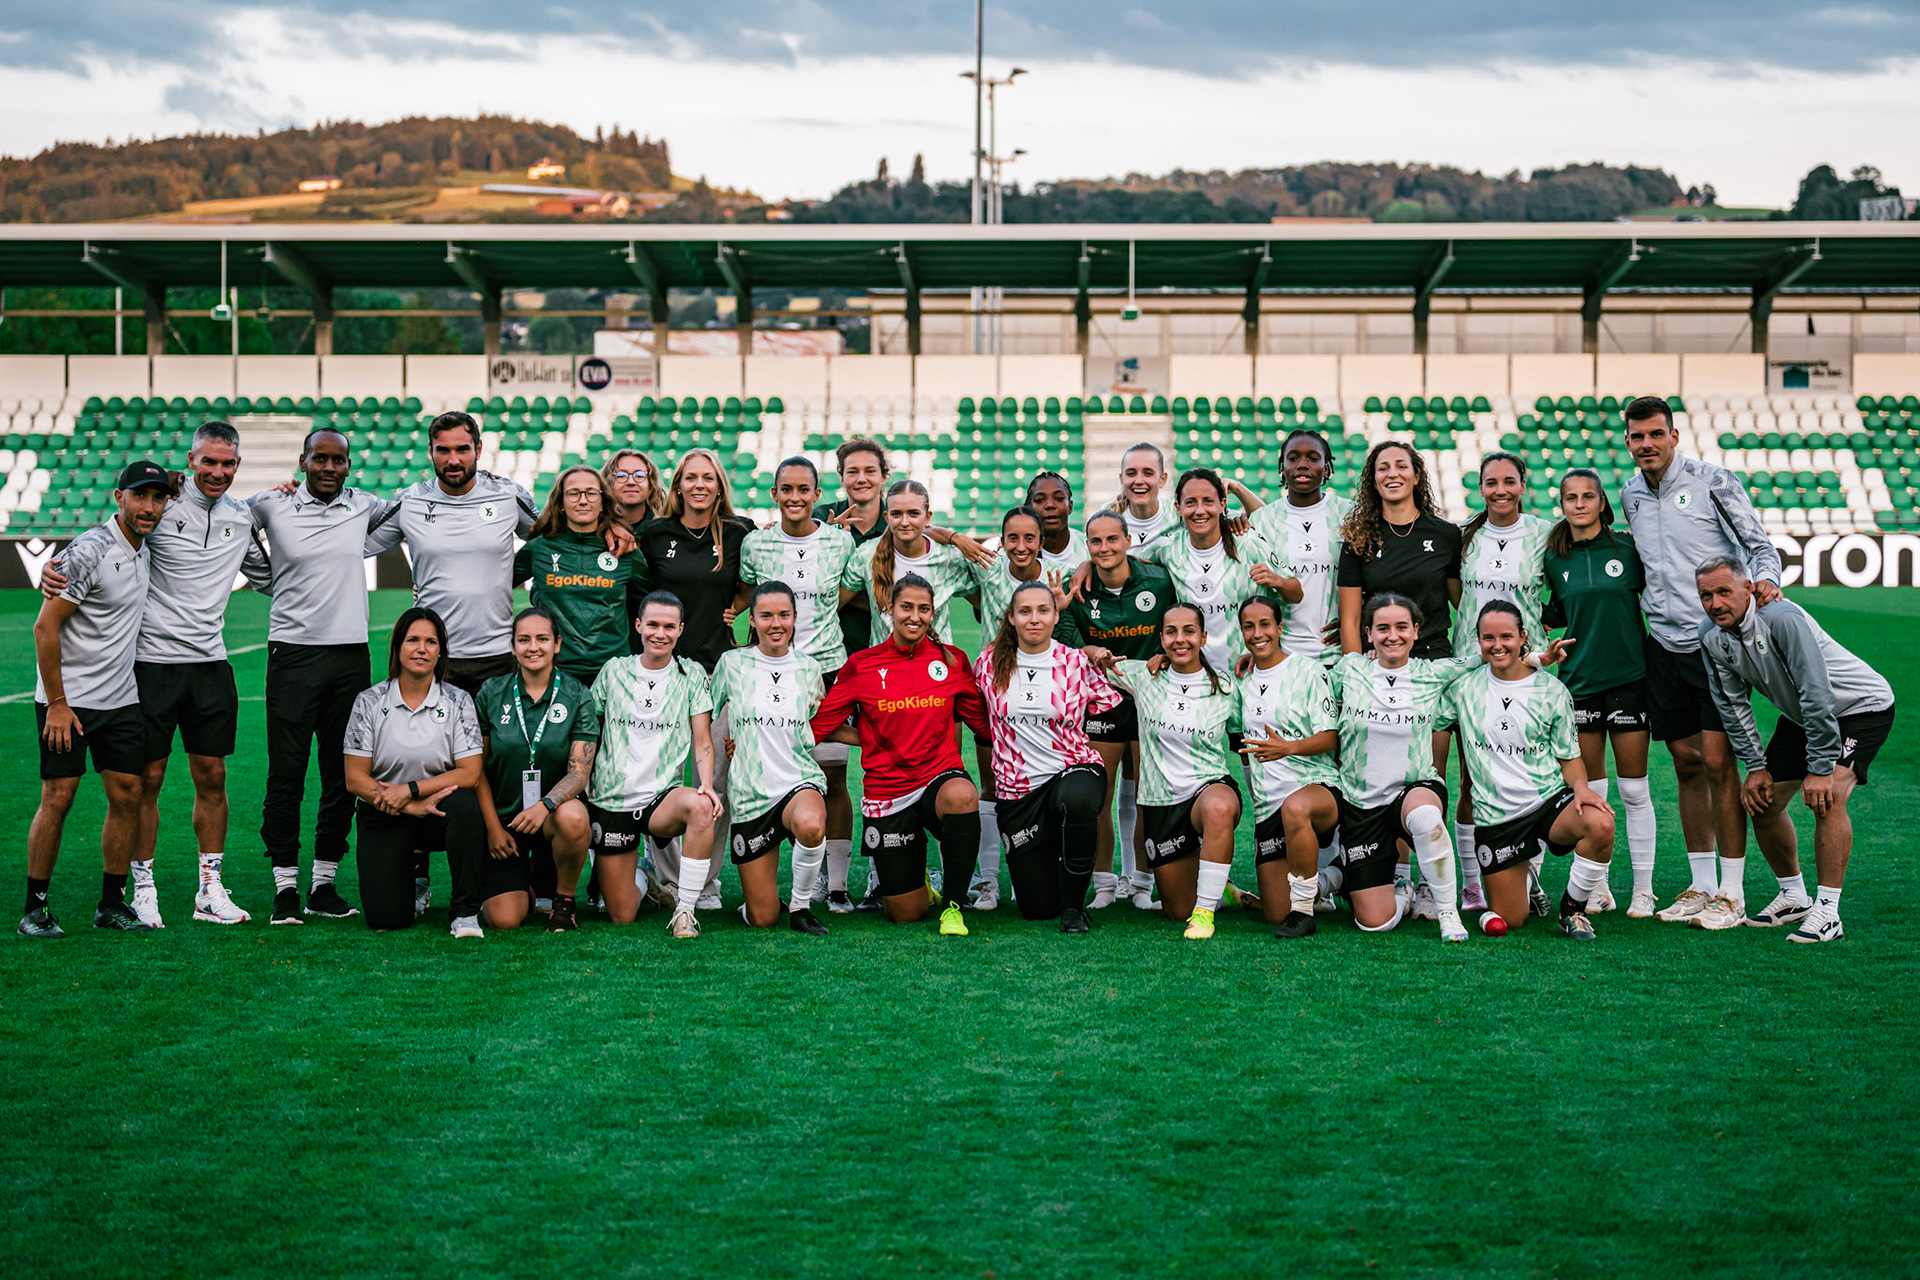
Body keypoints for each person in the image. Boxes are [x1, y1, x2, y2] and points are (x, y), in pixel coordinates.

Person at [38, 421, 271, 927]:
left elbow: (267, 576)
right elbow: (111, 534)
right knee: (148, 779)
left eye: (227, 463)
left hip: (210, 664)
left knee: (213, 776)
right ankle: (143, 888)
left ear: (237, 465)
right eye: (208, 461)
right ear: (191, 461)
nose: (217, 471)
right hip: (150, 664)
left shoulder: (241, 517)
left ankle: (210, 888)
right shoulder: (162, 507)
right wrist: (55, 567)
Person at [1619, 395, 1783, 924]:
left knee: (1717, 763)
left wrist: (1766, 581)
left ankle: (1732, 892)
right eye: (1637, 436)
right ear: (1628, 441)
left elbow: (1760, 546)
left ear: (1674, 435)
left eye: (1656, 434)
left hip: (1715, 644)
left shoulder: (1714, 481)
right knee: (1686, 763)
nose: (1647, 444)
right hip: (1663, 645)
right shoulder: (1629, 495)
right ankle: (1701, 884)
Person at [1696, 556, 1895, 942]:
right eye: (1706, 595)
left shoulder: (1782, 619)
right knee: (1762, 801)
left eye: (1724, 592)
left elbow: (1816, 692)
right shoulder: (1710, 635)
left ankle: (1828, 912)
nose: (1715, 603)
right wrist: (1755, 766)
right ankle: (1793, 897)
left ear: (1748, 589)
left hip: (1860, 707)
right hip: (1804, 714)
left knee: (1828, 797)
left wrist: (1821, 767)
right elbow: (1731, 704)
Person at [248, 427, 398, 925]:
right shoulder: (272, 505)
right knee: (286, 772)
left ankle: (323, 885)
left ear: (349, 465)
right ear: (303, 461)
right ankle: (285, 887)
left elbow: (413, 513)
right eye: (320, 459)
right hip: (292, 655)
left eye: (338, 460)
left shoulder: (364, 505)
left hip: (350, 657)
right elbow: (226, 520)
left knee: (343, 773)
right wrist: (266, 577)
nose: (329, 468)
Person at [20, 462, 172, 938]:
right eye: (140, 496)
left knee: (127, 794)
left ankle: (111, 904)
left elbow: (198, 482)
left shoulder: (145, 546)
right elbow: (44, 628)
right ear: (118, 497)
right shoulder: (90, 551)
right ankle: (34, 911)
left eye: (158, 498)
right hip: (67, 702)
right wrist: (57, 704)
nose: (149, 507)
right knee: (58, 796)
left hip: (121, 700)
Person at [809, 573, 989, 937]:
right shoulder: (862, 665)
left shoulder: (952, 661)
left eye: (924, 609)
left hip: (939, 776)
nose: (915, 616)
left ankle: (953, 907)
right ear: (890, 608)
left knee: (963, 795)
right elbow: (820, 725)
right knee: (904, 914)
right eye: (906, 607)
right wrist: (868, 738)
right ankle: (923, 885)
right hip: (888, 790)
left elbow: (984, 725)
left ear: (933, 613)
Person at [1325, 594, 1504, 943]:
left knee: (1424, 817)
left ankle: (1448, 913)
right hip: (1362, 805)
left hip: (1414, 788)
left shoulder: (1432, 673)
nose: (1393, 636)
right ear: (1368, 634)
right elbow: (1308, 684)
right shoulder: (1350, 669)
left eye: (1402, 627)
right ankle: (1401, 892)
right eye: (1383, 628)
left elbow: (1488, 655)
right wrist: (1257, 661)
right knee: (1375, 923)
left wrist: (1535, 659)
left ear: (1416, 631)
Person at [1447, 601, 1614, 940]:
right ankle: (1526, 879)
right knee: (1511, 919)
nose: (1498, 645)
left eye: (1506, 636)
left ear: (1523, 637)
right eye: (1488, 638)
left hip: (1547, 802)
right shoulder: (1463, 689)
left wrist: (1581, 788)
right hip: (1497, 817)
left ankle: (1573, 910)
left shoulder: (1552, 691)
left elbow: (1570, 757)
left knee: (1601, 824)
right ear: (1478, 641)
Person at [633, 448, 754, 911]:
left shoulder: (739, 531)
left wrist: (737, 607)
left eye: (708, 477)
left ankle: (704, 881)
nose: (699, 485)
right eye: (691, 477)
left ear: (719, 485)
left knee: (717, 780)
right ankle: (668, 879)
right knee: (660, 778)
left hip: (717, 670)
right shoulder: (655, 533)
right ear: (678, 485)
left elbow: (754, 582)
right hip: (664, 671)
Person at [972, 580, 1120, 932]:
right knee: (1037, 908)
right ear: (1011, 618)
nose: (1034, 619)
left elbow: (1111, 704)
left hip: (1072, 768)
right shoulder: (988, 664)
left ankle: (1073, 909)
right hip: (1018, 790)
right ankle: (1053, 852)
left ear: (1056, 616)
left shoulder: (1076, 662)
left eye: (1043, 611)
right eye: (1025, 611)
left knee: (1078, 799)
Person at [1544, 469, 1659, 917]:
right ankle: (1599, 887)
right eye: (1570, 497)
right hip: (1579, 683)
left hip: (1629, 679)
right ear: (1562, 505)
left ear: (1602, 502)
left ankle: (1644, 890)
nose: (1579, 504)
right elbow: (1550, 613)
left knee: (1634, 790)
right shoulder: (1553, 557)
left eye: (1587, 496)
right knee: (1592, 792)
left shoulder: (1628, 549)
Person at [364, 411, 537, 695]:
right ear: (430, 451)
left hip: (497, 655)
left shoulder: (508, 495)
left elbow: (553, 540)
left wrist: (608, 529)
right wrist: (302, 500)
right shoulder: (410, 501)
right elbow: (353, 544)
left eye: (462, 449)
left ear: (478, 449)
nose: (453, 460)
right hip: (432, 655)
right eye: (443, 450)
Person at [1099, 603, 1243, 940]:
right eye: (1171, 632)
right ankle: (1220, 890)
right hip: (1161, 803)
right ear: (1161, 639)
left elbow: (1248, 730)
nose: (1180, 639)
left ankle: (1204, 914)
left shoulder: (1226, 687)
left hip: (1207, 788)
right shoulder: (1143, 676)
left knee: (1219, 806)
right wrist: (1095, 651)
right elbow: (1093, 664)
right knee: (1177, 910)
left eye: (1189, 631)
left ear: (1203, 637)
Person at [1448, 451, 1553, 914]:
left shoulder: (1545, 533)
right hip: (1471, 669)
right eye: (1491, 483)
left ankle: (1528, 876)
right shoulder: (1464, 537)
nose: (1500, 491)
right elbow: (1456, 594)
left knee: (1530, 774)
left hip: (1528, 668)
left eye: (1509, 481)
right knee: (1474, 778)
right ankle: (1473, 885)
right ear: (1480, 488)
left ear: (1523, 485)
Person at [584, 592, 723, 938]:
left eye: (669, 627)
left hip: (662, 799)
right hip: (612, 799)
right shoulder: (614, 671)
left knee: (701, 806)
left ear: (680, 630)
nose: (660, 634)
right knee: (621, 915)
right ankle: (644, 876)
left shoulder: (691, 674)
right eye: (653, 625)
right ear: (638, 626)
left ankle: (685, 910)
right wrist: (582, 785)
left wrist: (706, 784)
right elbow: (589, 732)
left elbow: (703, 739)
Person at [341, 608, 488, 936]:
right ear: (397, 648)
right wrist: (408, 805)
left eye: (431, 642)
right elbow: (355, 778)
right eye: (412, 640)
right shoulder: (368, 701)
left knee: (465, 805)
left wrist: (410, 791)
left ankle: (465, 912)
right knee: (387, 919)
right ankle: (416, 881)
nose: (421, 649)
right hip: (386, 810)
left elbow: (470, 773)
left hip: (438, 808)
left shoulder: (459, 701)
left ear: (440, 652)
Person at [1056, 510, 1176, 911]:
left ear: (1128, 541)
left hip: (1149, 698)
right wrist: (1089, 649)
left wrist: (1163, 654)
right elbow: (1066, 638)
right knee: (1098, 797)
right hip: (1101, 700)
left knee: (1147, 796)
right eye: (1096, 541)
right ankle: (1105, 884)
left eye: (1112, 539)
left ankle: (1141, 884)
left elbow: (1180, 626)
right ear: (1087, 546)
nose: (1105, 548)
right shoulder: (1076, 588)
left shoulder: (1160, 581)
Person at [710, 582, 832, 936]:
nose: (775, 624)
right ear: (752, 619)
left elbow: (819, 722)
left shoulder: (809, 668)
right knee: (762, 918)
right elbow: (705, 714)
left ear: (795, 617)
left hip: (798, 780)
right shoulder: (731, 663)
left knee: (811, 824)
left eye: (783, 615)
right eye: (765, 615)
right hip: (750, 791)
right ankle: (761, 901)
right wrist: (734, 742)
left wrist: (875, 738)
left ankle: (800, 906)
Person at [473, 608, 599, 933]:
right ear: (512, 646)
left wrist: (544, 805)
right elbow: (476, 769)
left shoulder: (577, 695)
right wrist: (493, 828)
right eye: (524, 640)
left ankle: (564, 902)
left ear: (557, 644)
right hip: (505, 821)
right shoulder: (491, 693)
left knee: (575, 817)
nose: (533, 647)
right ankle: (526, 888)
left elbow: (579, 773)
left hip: (551, 818)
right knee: (503, 920)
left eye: (542, 639)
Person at [960, 503, 1060, 911]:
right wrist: (955, 537)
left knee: (1039, 786)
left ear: (1041, 541)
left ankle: (1027, 874)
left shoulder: (1058, 575)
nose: (1021, 546)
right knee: (991, 787)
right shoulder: (988, 568)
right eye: (1012, 538)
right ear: (1001, 541)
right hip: (994, 691)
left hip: (1044, 697)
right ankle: (989, 882)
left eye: (1029, 538)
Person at [1229, 597, 1341, 939]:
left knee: (1295, 807)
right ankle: (1336, 876)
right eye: (1249, 627)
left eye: (1265, 624)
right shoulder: (1242, 680)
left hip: (1316, 788)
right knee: (1276, 913)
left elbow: (1330, 737)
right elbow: (1242, 745)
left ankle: (1304, 914)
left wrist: (1288, 748)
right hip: (1269, 806)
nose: (1257, 633)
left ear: (1280, 627)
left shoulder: (1307, 671)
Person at [812, 438, 893, 911]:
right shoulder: (821, 518)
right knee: (832, 776)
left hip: (885, 665)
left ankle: (885, 874)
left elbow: (900, 595)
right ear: (841, 476)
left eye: (870, 470)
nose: (861, 479)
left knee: (888, 773)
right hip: (829, 666)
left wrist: (859, 593)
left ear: (884, 475)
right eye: (852, 471)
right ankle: (833, 879)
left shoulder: (897, 518)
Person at [1131, 468, 1298, 671]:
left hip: (1247, 672)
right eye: (1190, 502)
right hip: (1198, 677)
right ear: (1178, 508)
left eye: (1208, 501)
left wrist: (1277, 581)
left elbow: (1296, 593)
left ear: (1222, 504)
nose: (1200, 510)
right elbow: (1127, 569)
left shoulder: (1247, 542)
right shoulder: (1166, 548)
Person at [514, 465, 651, 687]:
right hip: (556, 672)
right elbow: (497, 587)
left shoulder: (624, 549)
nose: (583, 500)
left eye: (591, 493)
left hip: (614, 673)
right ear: (560, 503)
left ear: (603, 501)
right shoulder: (539, 549)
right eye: (574, 493)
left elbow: (649, 604)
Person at [1337, 441, 1461, 661]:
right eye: (1383, 468)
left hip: (1433, 660)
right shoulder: (1358, 539)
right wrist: (1356, 669)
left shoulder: (1447, 535)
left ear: (1416, 477)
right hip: (1379, 658)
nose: (1392, 474)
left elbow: (1463, 606)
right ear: (1374, 482)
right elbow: (1350, 621)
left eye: (1401, 466)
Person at [1247, 428, 1351, 665]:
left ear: (1327, 468)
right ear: (1282, 467)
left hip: (1337, 653)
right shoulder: (1262, 520)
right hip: (1282, 654)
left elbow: (1372, 575)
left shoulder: (1348, 513)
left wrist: (1358, 619)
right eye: (1293, 458)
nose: (1302, 465)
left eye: (1313, 458)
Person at [1108, 442, 1177, 548]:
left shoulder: (1177, 515)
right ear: (1121, 479)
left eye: (1148, 473)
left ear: (1162, 479)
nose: (1139, 481)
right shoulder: (1107, 519)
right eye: (1131, 474)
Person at [1025, 471, 1087, 569]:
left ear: (1070, 506)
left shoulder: (1089, 547)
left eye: (1059, 498)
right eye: (1039, 500)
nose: (1050, 505)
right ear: (1030, 509)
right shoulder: (1015, 553)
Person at [604, 448, 668, 526]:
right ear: (608, 485)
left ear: (651, 486)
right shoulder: (597, 528)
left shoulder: (667, 528)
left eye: (639, 475)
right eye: (621, 476)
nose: (631, 482)